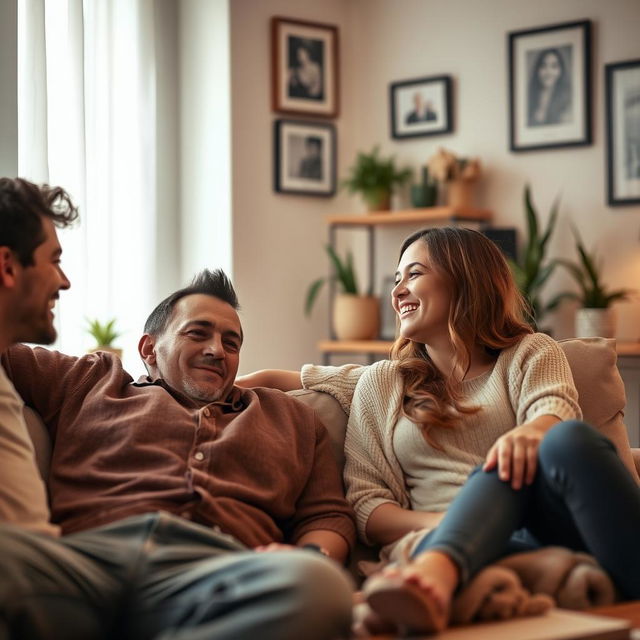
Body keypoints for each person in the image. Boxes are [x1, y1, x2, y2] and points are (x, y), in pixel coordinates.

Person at [0, 177, 355, 640]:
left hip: (214, 577)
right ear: (149, 348)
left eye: (232, 342)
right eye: (198, 333)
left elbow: (327, 516)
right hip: (84, 566)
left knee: (320, 587)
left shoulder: (290, 418)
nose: (217, 350)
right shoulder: (88, 381)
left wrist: (309, 555)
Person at [238, 226, 640, 635]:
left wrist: (533, 431)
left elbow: (554, 407)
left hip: (547, 529)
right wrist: (459, 522)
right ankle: (459, 578)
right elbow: (368, 508)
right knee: (491, 487)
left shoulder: (530, 352)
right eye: (395, 280)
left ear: (465, 279)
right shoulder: (381, 382)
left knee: (566, 439)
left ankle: (449, 586)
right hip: (441, 539)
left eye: (413, 274)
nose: (397, 292)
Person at [527, 47, 572, 126]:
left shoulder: (568, 102)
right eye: (543, 66)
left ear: (561, 71)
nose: (548, 72)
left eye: (554, 66)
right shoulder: (529, 100)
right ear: (537, 70)